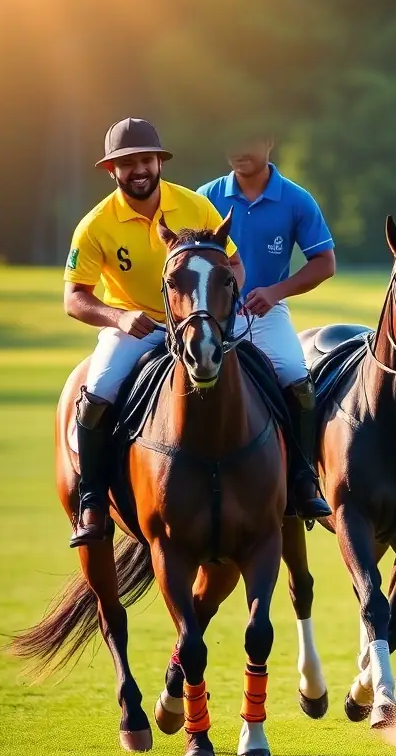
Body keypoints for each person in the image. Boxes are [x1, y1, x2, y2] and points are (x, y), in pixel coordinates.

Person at [63, 117, 243, 548]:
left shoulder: (194, 206)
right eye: (127, 164)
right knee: (98, 392)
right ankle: (91, 500)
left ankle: (293, 480)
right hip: (135, 327)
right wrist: (117, 317)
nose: (138, 170)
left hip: (199, 324)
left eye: (146, 159)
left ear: (159, 162)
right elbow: (74, 297)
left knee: (268, 376)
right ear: (112, 171)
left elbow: (232, 264)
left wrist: (218, 310)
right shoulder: (95, 225)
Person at [199, 136, 336, 520]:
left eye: (249, 140)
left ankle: (304, 479)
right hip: (208, 315)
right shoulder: (204, 197)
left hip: (265, 314)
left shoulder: (296, 199)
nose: (238, 149)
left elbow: (324, 262)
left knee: (296, 377)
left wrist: (276, 292)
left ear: (270, 141)